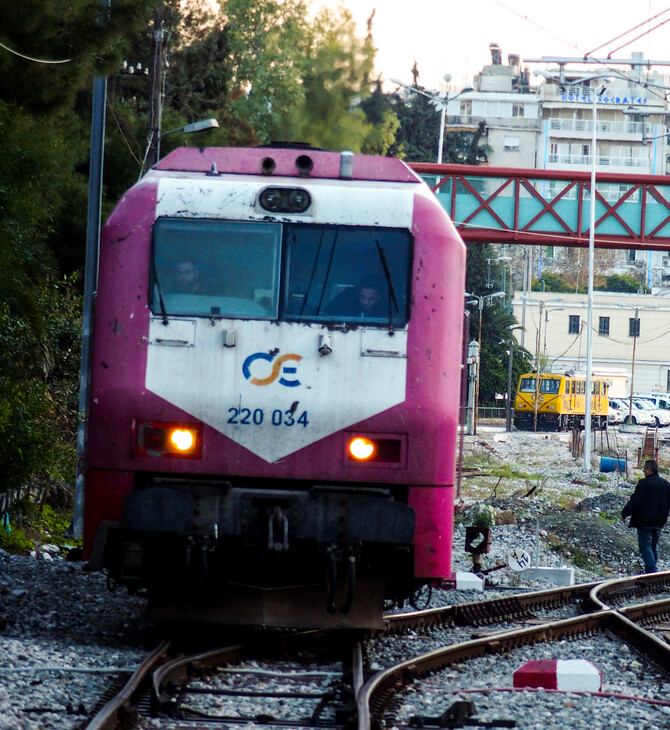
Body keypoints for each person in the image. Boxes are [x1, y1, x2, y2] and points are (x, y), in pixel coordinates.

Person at [621, 459, 670, 573]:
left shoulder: (644, 483)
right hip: (659, 521)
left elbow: (635, 500)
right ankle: (653, 569)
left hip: (644, 521)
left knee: (645, 546)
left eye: (644, 469)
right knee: (653, 546)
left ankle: (651, 570)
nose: (643, 471)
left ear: (649, 470)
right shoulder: (666, 484)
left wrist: (625, 513)